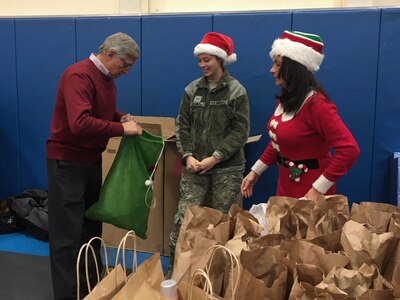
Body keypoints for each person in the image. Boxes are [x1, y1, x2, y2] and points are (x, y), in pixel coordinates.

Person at [46, 32, 143, 300]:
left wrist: (119, 116)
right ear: (110, 54)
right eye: (125, 64)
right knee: (67, 237)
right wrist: (122, 128)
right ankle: (66, 296)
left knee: (91, 230)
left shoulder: (106, 79)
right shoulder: (78, 75)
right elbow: (80, 123)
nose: (126, 71)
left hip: (89, 162)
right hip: (67, 163)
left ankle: (90, 291)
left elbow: (99, 110)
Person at [241, 30, 360, 202]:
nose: (272, 70)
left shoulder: (317, 104)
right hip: (285, 186)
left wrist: (318, 189)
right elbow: (278, 142)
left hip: (311, 193)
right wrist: (256, 171)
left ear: (294, 67)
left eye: (278, 64)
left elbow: (349, 150)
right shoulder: (286, 99)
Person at [168, 32, 250, 277]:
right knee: (184, 220)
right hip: (194, 169)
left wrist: (215, 157)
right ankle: (176, 273)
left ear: (220, 60)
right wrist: (188, 156)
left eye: (207, 60)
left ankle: (216, 276)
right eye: (200, 60)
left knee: (219, 223)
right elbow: (181, 127)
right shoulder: (191, 90)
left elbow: (240, 132)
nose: (203, 65)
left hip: (227, 169)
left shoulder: (236, 92)